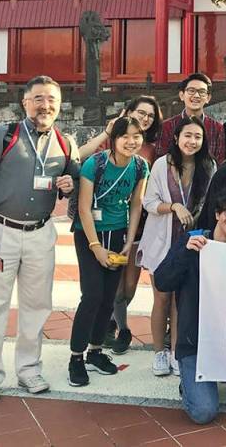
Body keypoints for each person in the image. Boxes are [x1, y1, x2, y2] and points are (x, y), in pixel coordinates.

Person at [0, 76, 78, 402]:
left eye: (52, 100)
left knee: (37, 305)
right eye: (39, 98)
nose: (46, 106)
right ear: (25, 102)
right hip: (1, 232)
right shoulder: (4, 136)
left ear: (59, 106)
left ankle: (29, 369)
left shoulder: (64, 143)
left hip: (41, 234)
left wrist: (69, 186)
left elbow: (72, 187)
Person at [152, 183, 226, 423]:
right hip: (194, 343)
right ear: (217, 214)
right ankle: (189, 385)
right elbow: (162, 281)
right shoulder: (193, 241)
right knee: (203, 412)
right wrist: (185, 253)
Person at [79, 95, 163, 356]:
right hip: (105, 225)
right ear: (128, 111)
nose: (145, 119)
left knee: (128, 287)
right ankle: (114, 328)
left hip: (138, 227)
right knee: (104, 289)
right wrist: (106, 131)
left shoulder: (150, 152)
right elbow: (77, 158)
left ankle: (112, 322)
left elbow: (139, 199)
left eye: (150, 116)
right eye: (141, 113)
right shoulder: (108, 147)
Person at [68, 116, 148, 387]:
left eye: (137, 135)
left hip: (119, 234)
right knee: (91, 296)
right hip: (89, 234)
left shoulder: (140, 166)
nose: (131, 141)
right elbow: (83, 207)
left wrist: (129, 239)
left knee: (108, 299)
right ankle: (76, 358)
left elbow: (136, 204)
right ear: (113, 139)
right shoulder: (96, 164)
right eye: (125, 136)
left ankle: (96, 351)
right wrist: (95, 247)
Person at [138, 116, 216, 379]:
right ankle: (158, 351)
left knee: (181, 300)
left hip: (190, 243)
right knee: (161, 297)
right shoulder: (162, 164)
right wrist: (173, 206)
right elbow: (148, 202)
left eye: (197, 137)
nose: (192, 141)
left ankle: (175, 352)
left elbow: (211, 202)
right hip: (162, 239)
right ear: (176, 138)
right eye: (187, 136)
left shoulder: (208, 166)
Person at [156, 73, 226, 162]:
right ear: (182, 95)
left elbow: (219, 163)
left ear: (208, 98)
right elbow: (161, 160)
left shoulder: (217, 128)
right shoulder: (167, 126)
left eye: (202, 92)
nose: (196, 96)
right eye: (191, 91)